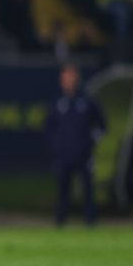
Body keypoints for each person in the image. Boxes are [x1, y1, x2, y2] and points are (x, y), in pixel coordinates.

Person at [46, 64, 106, 226]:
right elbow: (50, 126)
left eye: (69, 77)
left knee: (87, 189)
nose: (66, 81)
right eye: (64, 77)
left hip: (84, 153)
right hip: (64, 154)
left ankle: (90, 222)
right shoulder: (58, 102)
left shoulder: (86, 100)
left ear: (76, 79)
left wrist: (91, 141)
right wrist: (56, 145)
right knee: (63, 190)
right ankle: (60, 222)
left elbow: (102, 125)